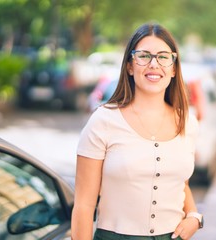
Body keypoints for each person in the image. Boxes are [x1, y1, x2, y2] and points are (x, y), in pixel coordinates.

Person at [71, 23, 204, 240]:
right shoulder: (103, 121)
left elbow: (182, 183)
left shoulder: (188, 122)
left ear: (173, 67)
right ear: (130, 67)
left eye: (163, 57)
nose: (154, 64)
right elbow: (84, 206)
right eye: (144, 56)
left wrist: (194, 216)